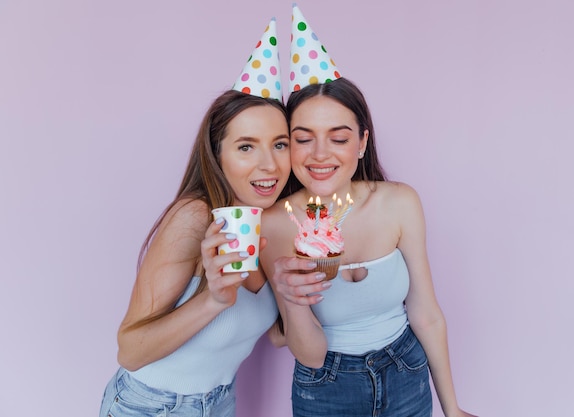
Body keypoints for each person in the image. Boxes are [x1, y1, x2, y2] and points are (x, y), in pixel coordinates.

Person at [259, 5, 477, 417]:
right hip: (325, 386)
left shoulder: (399, 203)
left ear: (361, 144)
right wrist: (291, 300)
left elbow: (426, 313)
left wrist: (453, 408)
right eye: (303, 139)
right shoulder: (275, 225)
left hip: (406, 371)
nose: (320, 155)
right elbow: (305, 350)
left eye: (338, 139)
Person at [99, 19, 290, 417]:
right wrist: (212, 301)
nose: (269, 164)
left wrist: (304, 296)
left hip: (220, 402)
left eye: (280, 144)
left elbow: (271, 334)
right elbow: (130, 350)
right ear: (217, 155)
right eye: (245, 147)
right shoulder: (195, 217)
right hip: (151, 406)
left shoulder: (274, 222)